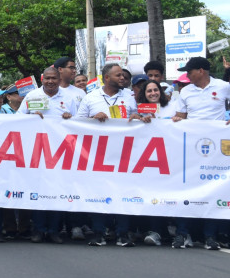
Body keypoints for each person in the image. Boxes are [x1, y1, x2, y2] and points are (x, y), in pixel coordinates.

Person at [171, 57, 230, 250]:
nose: (187, 75)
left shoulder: (222, 86)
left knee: (213, 189)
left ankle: (210, 235)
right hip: (191, 147)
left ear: (201, 71)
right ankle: (182, 233)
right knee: (186, 189)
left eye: (190, 71)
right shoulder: (185, 91)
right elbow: (181, 116)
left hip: (216, 148)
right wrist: (177, 119)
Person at [77, 63, 148, 247]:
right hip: (97, 157)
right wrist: (92, 119)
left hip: (125, 156)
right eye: (118, 75)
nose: (123, 78)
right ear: (107, 78)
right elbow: (78, 125)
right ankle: (99, 232)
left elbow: (139, 119)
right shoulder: (91, 98)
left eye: (123, 75)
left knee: (124, 194)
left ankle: (122, 234)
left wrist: (137, 118)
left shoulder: (130, 97)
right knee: (98, 194)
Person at [18, 66, 79, 244]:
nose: (51, 82)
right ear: (42, 79)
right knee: (38, 192)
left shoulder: (69, 98)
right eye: (47, 79)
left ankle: (54, 230)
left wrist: (71, 118)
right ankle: (38, 230)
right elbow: (16, 119)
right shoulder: (31, 96)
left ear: (60, 79)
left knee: (57, 192)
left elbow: (80, 122)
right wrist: (30, 117)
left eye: (54, 78)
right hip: (37, 153)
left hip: (61, 154)